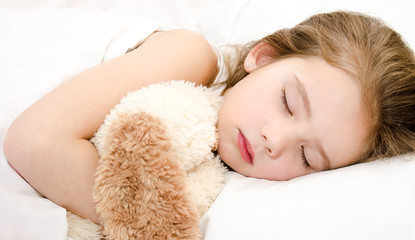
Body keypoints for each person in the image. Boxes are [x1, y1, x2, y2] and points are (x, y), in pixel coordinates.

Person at [3, 11, 415, 224]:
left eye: (308, 157)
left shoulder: (213, 165)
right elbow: (35, 141)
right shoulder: (191, 55)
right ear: (263, 56)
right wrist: (156, 224)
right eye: (288, 102)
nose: (277, 140)